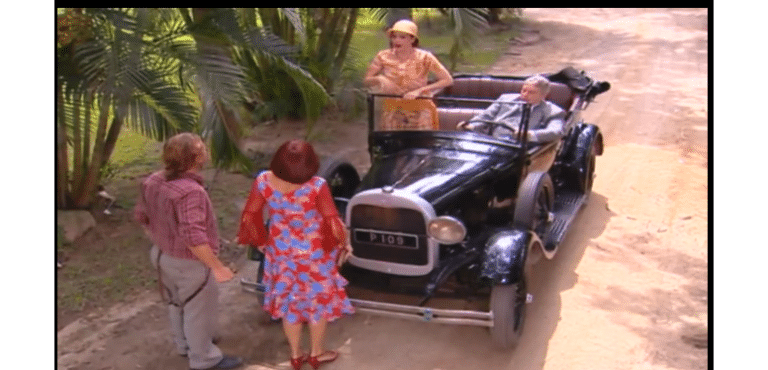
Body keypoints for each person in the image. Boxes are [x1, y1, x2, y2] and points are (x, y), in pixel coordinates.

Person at [237, 139, 354, 370]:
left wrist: (260, 242)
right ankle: (316, 354)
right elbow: (333, 222)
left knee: (290, 305)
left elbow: (250, 214)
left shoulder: (263, 181)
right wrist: (344, 244)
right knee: (315, 305)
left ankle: (295, 355)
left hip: (281, 253)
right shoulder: (316, 186)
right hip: (314, 255)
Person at [134, 133, 243, 370]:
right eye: (202, 149)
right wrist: (217, 267)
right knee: (198, 309)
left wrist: (161, 240)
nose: (206, 151)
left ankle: (186, 344)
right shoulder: (190, 192)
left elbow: (141, 216)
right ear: (195, 158)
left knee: (176, 303)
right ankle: (204, 359)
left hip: (161, 256)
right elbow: (193, 237)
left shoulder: (152, 180)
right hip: (188, 262)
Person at [364, 19, 453, 130]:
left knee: (420, 143)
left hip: (419, 107)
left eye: (402, 37)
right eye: (394, 37)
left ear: (412, 39)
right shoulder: (383, 56)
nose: (397, 40)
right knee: (391, 143)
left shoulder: (425, 57)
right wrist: (380, 79)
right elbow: (367, 80)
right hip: (393, 108)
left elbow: (447, 80)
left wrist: (420, 90)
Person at [457, 75, 566, 143]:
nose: (525, 95)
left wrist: (530, 134)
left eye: (531, 92)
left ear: (544, 95)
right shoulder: (506, 99)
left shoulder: (553, 111)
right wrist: (471, 125)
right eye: (523, 90)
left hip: (523, 149)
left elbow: (556, 131)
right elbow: (486, 116)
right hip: (493, 142)